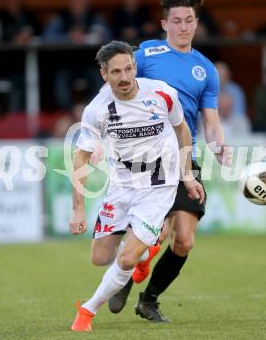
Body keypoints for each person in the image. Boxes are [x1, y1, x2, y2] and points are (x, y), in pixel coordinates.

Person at [108, 0, 232, 323]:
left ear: (196, 23)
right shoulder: (146, 54)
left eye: (189, 20)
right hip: (147, 156)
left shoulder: (206, 70)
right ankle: (124, 271)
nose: (183, 27)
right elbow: (117, 79)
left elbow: (210, 120)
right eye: (176, 21)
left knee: (184, 242)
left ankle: (149, 300)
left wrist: (219, 145)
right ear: (164, 23)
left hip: (184, 155)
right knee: (156, 232)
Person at [69, 40, 204, 332]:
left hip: (158, 185)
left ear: (134, 66)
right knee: (100, 258)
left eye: (129, 68)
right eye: (116, 71)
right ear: (104, 74)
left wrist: (187, 175)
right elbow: (80, 158)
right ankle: (146, 251)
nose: (125, 77)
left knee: (125, 258)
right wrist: (78, 210)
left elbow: (182, 129)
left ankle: (87, 311)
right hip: (121, 185)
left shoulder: (162, 94)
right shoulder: (97, 109)